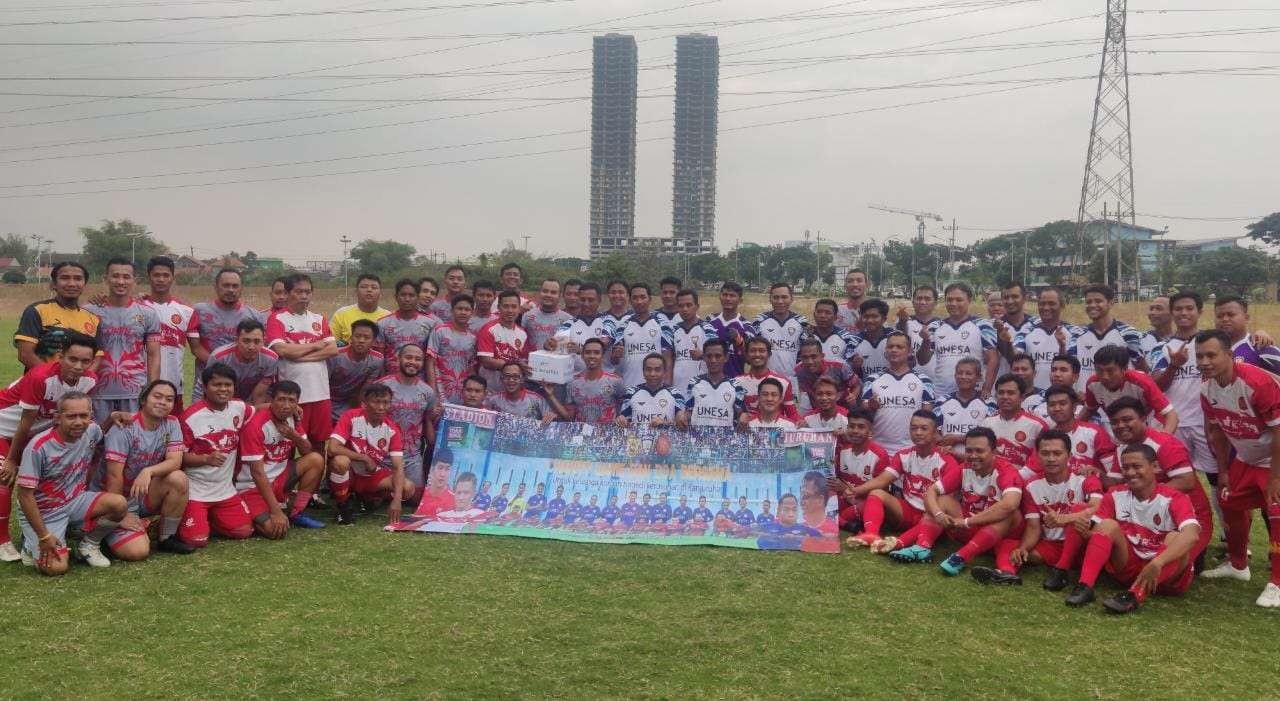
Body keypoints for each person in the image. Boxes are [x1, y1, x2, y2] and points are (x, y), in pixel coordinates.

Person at [1063, 444, 1202, 614]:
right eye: (1125, 468)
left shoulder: (1175, 498)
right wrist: (1084, 531)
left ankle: (1134, 595)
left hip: (1166, 575)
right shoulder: (1115, 493)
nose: (1130, 472)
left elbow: (1192, 535)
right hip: (1128, 565)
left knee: (1175, 537)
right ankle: (1085, 586)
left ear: (1155, 467)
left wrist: (1158, 563)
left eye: (1137, 466)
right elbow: (1097, 531)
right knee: (1108, 525)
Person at [1195, 329, 1280, 607]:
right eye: (1200, 356)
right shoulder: (1207, 389)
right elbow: (1217, 434)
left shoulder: (1257, 382)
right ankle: (1238, 565)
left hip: (1274, 460)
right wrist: (1224, 471)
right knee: (1228, 500)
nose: (1205, 361)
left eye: (1211, 355)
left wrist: (1275, 478)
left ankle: (1277, 583)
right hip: (1247, 459)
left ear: (1229, 355)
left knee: (1276, 509)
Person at [0, 333, 98, 562]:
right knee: (5, 477)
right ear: (60, 356)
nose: (78, 366)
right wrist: (13, 460)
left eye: (85, 361)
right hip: (5, 429)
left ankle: (33, 534)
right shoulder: (41, 377)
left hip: (32, 434)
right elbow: (25, 422)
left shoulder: (90, 380)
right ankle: (3, 540)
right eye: (72, 359)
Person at [14, 392, 126, 574]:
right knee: (56, 568)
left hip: (75, 500)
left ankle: (89, 545)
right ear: (57, 418)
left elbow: (100, 433)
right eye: (71, 416)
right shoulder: (38, 447)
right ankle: (31, 542)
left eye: (84, 416)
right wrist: (44, 536)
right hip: (44, 512)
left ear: (90, 416)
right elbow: (24, 496)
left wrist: (111, 419)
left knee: (119, 504)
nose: (78, 422)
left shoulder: (91, 431)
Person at [974, 430, 1104, 587]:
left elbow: (1097, 507)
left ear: (1069, 456)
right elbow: (1033, 526)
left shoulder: (1086, 480)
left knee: (1079, 508)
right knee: (1012, 547)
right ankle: (1006, 573)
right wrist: (1023, 547)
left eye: (1057, 453)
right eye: (1045, 453)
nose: (1051, 459)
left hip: (1083, 542)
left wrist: (1065, 519)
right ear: (1037, 456)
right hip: (1052, 545)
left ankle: (1063, 570)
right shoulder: (1031, 486)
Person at [894, 427, 1024, 575]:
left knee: (1009, 513)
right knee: (941, 500)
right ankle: (922, 547)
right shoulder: (964, 468)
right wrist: (939, 515)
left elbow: (1010, 505)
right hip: (972, 528)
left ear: (994, 452)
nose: (973, 455)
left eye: (979, 451)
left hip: (1000, 533)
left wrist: (967, 522)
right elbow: (931, 491)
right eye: (969, 451)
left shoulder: (1007, 471)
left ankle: (961, 557)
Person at [1104, 397, 1213, 565]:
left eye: (1127, 420)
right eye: (1114, 422)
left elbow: (1187, 482)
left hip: (1186, 516)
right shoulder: (1122, 448)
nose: (1120, 426)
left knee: (1169, 567)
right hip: (1144, 515)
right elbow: (1115, 486)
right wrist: (1096, 475)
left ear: (1143, 418)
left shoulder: (1165, 443)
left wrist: (1147, 495)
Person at [97, 380, 195, 560]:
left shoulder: (172, 423)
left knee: (178, 478)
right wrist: (121, 514)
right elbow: (113, 476)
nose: (163, 402)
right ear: (143, 400)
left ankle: (167, 538)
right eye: (157, 396)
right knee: (138, 552)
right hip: (114, 498)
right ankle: (104, 530)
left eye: (169, 399)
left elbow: (175, 461)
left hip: (143, 492)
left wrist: (148, 471)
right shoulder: (124, 426)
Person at [847, 410, 959, 551]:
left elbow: (947, 501)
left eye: (924, 428)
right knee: (876, 493)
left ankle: (911, 540)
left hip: (932, 515)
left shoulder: (947, 460)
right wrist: (855, 491)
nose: (918, 432)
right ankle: (871, 534)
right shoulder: (903, 455)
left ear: (935, 433)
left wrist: (933, 515)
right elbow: (882, 480)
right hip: (907, 511)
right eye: (913, 428)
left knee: (938, 508)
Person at [1151, 291, 1219, 519]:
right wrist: (1173, 366)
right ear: (1172, 312)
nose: (1184, 313)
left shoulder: (1211, 343)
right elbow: (1155, 386)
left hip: (1206, 424)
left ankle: (1230, 538)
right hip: (1174, 424)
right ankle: (1181, 525)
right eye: (1178, 309)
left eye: (1189, 308)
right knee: (1177, 478)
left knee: (1217, 479)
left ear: (1200, 311)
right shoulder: (1162, 347)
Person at [236, 380, 327, 538]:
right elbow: (257, 472)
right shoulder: (256, 425)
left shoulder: (293, 418)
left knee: (316, 460)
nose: (286, 405)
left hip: (279, 477)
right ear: (271, 400)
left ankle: (295, 514)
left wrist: (294, 436)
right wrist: (276, 512)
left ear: (297, 403)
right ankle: (267, 509)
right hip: (251, 486)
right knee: (275, 531)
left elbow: (307, 451)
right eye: (281, 399)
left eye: (291, 401)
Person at [178, 363, 255, 548]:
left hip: (225, 489)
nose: (223, 389)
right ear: (204, 387)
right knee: (195, 541)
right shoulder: (190, 417)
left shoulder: (240, 408)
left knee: (244, 531)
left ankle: (211, 517)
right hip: (196, 489)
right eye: (217, 385)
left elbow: (259, 410)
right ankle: (196, 517)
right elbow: (178, 457)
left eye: (227, 385)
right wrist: (206, 459)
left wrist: (290, 407)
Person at [85, 258, 161, 422]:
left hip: (134, 392)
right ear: (105, 278)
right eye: (115, 276)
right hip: (96, 391)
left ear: (135, 280)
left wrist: (153, 388)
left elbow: (154, 355)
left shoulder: (148, 314)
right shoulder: (88, 311)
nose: (120, 281)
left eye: (126, 277)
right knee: (97, 441)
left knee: (131, 440)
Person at [326, 383, 407, 525]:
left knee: (408, 488)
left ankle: (366, 497)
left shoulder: (392, 429)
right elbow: (332, 448)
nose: (381, 407)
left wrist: (397, 500)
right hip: (348, 472)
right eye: (376, 402)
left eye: (385, 402)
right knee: (340, 461)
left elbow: (398, 467)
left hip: (369, 476)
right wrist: (364, 458)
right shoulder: (351, 416)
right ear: (364, 404)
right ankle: (343, 506)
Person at [916, 282, 998, 397]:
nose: (953, 304)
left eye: (959, 300)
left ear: (969, 300)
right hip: (941, 394)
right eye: (949, 300)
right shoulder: (935, 326)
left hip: (973, 394)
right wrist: (925, 341)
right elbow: (922, 360)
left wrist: (987, 388)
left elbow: (993, 358)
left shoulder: (982, 325)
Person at [15, 261, 100, 370]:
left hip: (77, 386)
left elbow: (97, 359)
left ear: (84, 285)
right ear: (53, 284)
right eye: (65, 278)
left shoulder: (93, 319)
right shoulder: (36, 310)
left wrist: (81, 382)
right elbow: (25, 355)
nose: (72, 284)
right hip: (43, 384)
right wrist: (54, 380)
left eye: (78, 279)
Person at [377, 344, 438, 494]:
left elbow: (428, 420)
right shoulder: (382, 386)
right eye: (408, 357)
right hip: (381, 454)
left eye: (418, 359)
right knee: (378, 495)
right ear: (398, 359)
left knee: (414, 497)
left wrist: (433, 443)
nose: (412, 362)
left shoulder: (427, 392)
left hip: (411, 457)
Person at [860, 332, 933, 455]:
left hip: (911, 450)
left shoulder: (924, 380)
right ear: (885, 350)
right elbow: (863, 409)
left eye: (899, 347)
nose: (894, 350)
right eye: (890, 346)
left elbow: (928, 415)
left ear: (910, 351)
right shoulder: (872, 379)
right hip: (879, 449)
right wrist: (871, 406)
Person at [139, 256, 197, 411]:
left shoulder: (187, 311)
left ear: (172, 278)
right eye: (156, 275)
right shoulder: (136, 307)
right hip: (138, 384)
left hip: (174, 385)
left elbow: (196, 349)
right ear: (149, 277)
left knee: (172, 431)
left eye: (165, 275)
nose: (161, 279)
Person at [1084, 345, 1177, 437]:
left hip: (1151, 429)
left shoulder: (1142, 382)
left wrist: (1165, 439)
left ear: (1124, 369)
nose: (1105, 376)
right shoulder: (1092, 384)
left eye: (1110, 371)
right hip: (1120, 432)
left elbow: (1171, 414)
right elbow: (1088, 410)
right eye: (1099, 370)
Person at [1068, 283, 1145, 391]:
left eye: (1098, 301)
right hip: (1086, 402)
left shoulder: (1128, 333)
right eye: (1088, 302)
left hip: (1121, 403)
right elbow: (1070, 368)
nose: (1092, 305)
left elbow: (1141, 369)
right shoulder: (1077, 333)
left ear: (1110, 303)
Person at [190, 268, 264, 381]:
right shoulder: (199, 311)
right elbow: (195, 347)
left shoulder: (254, 316)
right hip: (207, 378)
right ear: (216, 287)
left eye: (235, 286)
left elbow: (259, 349)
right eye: (226, 285)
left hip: (241, 380)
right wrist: (219, 366)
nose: (230, 290)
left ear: (241, 288)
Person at [1029, 385, 1113, 477]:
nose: (1057, 408)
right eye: (1052, 405)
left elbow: (1113, 474)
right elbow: (1031, 470)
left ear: (1074, 407)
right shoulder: (1045, 438)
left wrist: (1099, 474)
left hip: (1091, 488)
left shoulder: (1094, 432)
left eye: (1062, 403)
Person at [829, 408, 889, 532]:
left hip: (864, 503)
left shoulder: (880, 454)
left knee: (867, 506)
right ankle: (846, 524)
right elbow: (837, 481)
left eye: (861, 427)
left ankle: (840, 520)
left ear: (870, 431)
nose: (855, 431)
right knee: (819, 500)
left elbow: (882, 492)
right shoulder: (842, 450)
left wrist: (846, 490)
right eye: (851, 426)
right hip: (844, 500)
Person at [195, 319, 278, 405]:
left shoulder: (271, 359)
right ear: (236, 340)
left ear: (264, 341)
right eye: (246, 341)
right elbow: (201, 388)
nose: (251, 347)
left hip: (249, 404)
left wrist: (255, 415)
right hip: (220, 403)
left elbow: (259, 394)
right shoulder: (220, 357)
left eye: (257, 341)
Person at [981, 374, 1048, 476]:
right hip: (990, 481)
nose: (1005, 397)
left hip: (1022, 484)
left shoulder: (1038, 426)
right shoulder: (986, 423)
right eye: (1001, 393)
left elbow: (1038, 464)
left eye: (1010, 393)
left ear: (1022, 397)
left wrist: (1011, 479)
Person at [611, 283, 673, 389]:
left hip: (657, 389)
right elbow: (615, 361)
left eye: (643, 297)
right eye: (635, 298)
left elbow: (667, 358)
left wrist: (666, 386)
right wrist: (616, 356)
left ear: (650, 299)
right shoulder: (622, 326)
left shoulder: (662, 325)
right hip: (629, 388)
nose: (639, 301)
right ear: (630, 301)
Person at [1012, 286, 1074, 391]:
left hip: (1061, 396)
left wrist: (1062, 346)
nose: (1046, 307)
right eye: (1042, 304)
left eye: (1051, 303)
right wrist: (1005, 340)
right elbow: (1015, 357)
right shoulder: (1025, 332)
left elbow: (1072, 367)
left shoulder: (1074, 332)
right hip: (1032, 396)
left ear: (1062, 305)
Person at [933, 357, 995, 457]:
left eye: (968, 373)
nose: (963, 376)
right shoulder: (942, 401)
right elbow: (934, 433)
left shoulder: (989, 403)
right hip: (947, 460)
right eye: (960, 373)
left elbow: (990, 436)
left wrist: (958, 439)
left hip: (978, 461)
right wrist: (943, 444)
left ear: (978, 377)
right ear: (955, 376)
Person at [677, 339, 746, 429]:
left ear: (726, 357)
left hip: (725, 440)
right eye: (709, 356)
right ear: (704, 357)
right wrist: (682, 415)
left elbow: (740, 415)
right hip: (697, 439)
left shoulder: (736, 386)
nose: (713, 360)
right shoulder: (694, 382)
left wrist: (743, 417)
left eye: (718, 356)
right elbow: (689, 412)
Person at [376, 279, 438, 376]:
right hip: (391, 381)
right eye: (403, 295)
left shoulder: (430, 324)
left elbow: (431, 360)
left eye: (411, 295)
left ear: (417, 298)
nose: (407, 299)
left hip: (419, 381)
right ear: (396, 297)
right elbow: (379, 358)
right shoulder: (383, 324)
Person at [750, 282, 807, 383]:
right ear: (770, 299)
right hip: (765, 380)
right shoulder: (759, 321)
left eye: (784, 297)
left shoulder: (801, 322)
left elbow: (805, 352)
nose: (780, 301)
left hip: (793, 380)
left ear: (791, 299)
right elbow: (752, 351)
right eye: (776, 297)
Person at [476, 289, 531, 390]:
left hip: (511, 391)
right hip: (489, 389)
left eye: (514, 307)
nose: (510, 310)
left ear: (519, 309)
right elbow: (486, 361)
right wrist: (516, 365)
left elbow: (524, 360)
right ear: (498, 307)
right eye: (506, 306)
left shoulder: (523, 333)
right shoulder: (488, 329)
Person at [427, 294, 476, 404]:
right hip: (441, 389)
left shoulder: (472, 338)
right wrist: (432, 392)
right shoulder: (439, 331)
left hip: (463, 392)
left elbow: (471, 366)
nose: (463, 312)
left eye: (467, 309)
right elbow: (430, 361)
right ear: (452, 310)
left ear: (472, 313)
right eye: (459, 309)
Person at [736, 337, 799, 423]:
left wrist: (801, 424)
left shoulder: (784, 382)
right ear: (746, 355)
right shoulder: (736, 382)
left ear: (769, 354)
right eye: (753, 351)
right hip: (746, 433)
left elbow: (792, 414)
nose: (757, 354)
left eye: (762, 351)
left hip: (775, 433)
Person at [1212, 295, 1280, 375]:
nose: (1225, 319)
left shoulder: (1261, 348)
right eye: (1219, 316)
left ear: (1246, 318)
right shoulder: (1208, 349)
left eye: (1231, 315)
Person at [551, 282, 609, 373]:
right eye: (582, 299)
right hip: (575, 382)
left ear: (599, 300)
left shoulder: (608, 322)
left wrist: (581, 350)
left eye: (591, 300)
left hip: (602, 381)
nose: (586, 304)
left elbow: (602, 346)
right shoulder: (567, 324)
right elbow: (558, 350)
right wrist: (550, 345)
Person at [565, 338, 625, 425]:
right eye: (588, 352)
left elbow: (624, 407)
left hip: (606, 435)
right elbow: (569, 416)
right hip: (581, 435)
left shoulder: (615, 381)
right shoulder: (573, 384)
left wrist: (621, 418)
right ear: (582, 355)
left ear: (603, 356)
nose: (592, 356)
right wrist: (551, 396)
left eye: (596, 352)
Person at [484, 362, 566, 422]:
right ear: (501, 379)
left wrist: (553, 416)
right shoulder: (493, 400)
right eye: (507, 376)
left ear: (523, 379)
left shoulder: (537, 400)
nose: (511, 380)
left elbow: (558, 420)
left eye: (516, 377)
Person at [793, 338, 858, 414]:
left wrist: (853, 395)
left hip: (845, 411)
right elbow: (797, 394)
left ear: (822, 356)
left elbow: (857, 385)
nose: (809, 362)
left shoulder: (840, 366)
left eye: (813, 357)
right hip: (819, 413)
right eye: (805, 357)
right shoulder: (799, 371)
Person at [619, 354, 682, 428]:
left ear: (664, 372)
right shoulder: (632, 392)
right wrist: (621, 420)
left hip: (666, 438)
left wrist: (665, 424)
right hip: (637, 439)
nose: (652, 374)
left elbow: (682, 424)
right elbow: (624, 420)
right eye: (648, 369)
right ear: (643, 371)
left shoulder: (675, 393)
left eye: (657, 370)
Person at [669, 289, 715, 391]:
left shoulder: (708, 329)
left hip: (702, 389)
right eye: (681, 306)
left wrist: (702, 356)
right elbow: (669, 360)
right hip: (678, 388)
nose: (685, 309)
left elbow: (719, 359)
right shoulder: (673, 331)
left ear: (697, 306)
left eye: (689, 305)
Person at [704, 282, 752, 377]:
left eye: (732, 296)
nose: (728, 299)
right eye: (725, 295)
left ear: (740, 300)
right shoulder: (709, 321)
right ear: (720, 297)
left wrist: (739, 341)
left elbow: (749, 359)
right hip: (710, 380)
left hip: (735, 379)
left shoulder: (746, 325)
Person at [331, 274, 389, 346]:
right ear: (356, 292)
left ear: (381, 293)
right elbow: (331, 344)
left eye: (374, 287)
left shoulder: (388, 317)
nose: (369, 290)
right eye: (364, 287)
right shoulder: (341, 314)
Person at [895, 285, 939, 378]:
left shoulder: (942, 325)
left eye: (927, 299)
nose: (922, 302)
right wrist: (902, 322)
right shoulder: (904, 321)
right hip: (908, 379)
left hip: (935, 381)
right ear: (913, 302)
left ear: (935, 303)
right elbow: (899, 342)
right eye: (919, 299)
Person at [522, 279, 572, 353]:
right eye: (545, 291)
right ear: (539, 293)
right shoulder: (527, 316)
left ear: (560, 296)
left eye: (553, 292)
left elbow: (570, 346)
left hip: (557, 362)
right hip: (531, 362)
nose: (548, 295)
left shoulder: (568, 320)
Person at [849, 299, 894, 379]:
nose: (870, 320)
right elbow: (850, 374)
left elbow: (910, 363)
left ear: (884, 319)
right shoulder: (854, 341)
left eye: (874, 316)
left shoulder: (895, 337)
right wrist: (855, 366)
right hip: (865, 388)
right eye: (866, 316)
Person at [807, 298, 858, 367]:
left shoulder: (847, 338)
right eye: (819, 312)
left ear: (835, 317)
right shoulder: (805, 336)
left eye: (828, 313)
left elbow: (849, 367)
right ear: (814, 315)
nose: (822, 316)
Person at [417, 453, 456, 518]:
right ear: (432, 469)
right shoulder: (421, 494)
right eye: (440, 468)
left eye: (447, 469)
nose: (442, 474)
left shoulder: (455, 500)